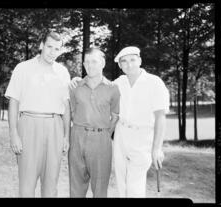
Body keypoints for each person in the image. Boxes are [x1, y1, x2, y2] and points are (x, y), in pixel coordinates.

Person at [69, 46, 169, 197]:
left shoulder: (154, 82)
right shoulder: (118, 83)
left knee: (134, 186)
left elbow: (161, 117)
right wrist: (76, 80)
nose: (128, 64)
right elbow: (97, 85)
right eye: (124, 61)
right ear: (120, 65)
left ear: (140, 60)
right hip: (121, 136)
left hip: (142, 137)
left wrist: (157, 148)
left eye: (132, 60)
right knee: (122, 184)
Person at [4, 31, 71, 197]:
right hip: (29, 125)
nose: (52, 52)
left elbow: (67, 107)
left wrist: (66, 136)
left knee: (51, 185)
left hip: (55, 127)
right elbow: (14, 101)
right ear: (41, 45)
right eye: (49, 47)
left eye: (56, 49)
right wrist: (13, 133)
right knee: (27, 184)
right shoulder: (23, 68)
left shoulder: (63, 72)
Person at [68, 48, 120, 197]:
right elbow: (71, 113)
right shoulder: (75, 87)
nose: (90, 65)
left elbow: (115, 117)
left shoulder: (113, 88)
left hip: (101, 140)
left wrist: (103, 134)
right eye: (87, 62)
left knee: (99, 189)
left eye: (94, 61)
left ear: (102, 63)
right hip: (77, 138)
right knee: (76, 187)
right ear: (83, 64)